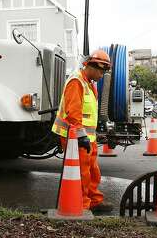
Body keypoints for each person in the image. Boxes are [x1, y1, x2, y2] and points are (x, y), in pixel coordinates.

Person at [51, 49, 113, 213]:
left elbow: (88, 112)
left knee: (93, 171)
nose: (102, 75)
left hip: (86, 137)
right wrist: (80, 135)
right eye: (101, 70)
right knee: (82, 172)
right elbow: (74, 113)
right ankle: (82, 205)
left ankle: (94, 200)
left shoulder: (89, 84)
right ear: (91, 66)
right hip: (75, 137)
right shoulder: (76, 81)